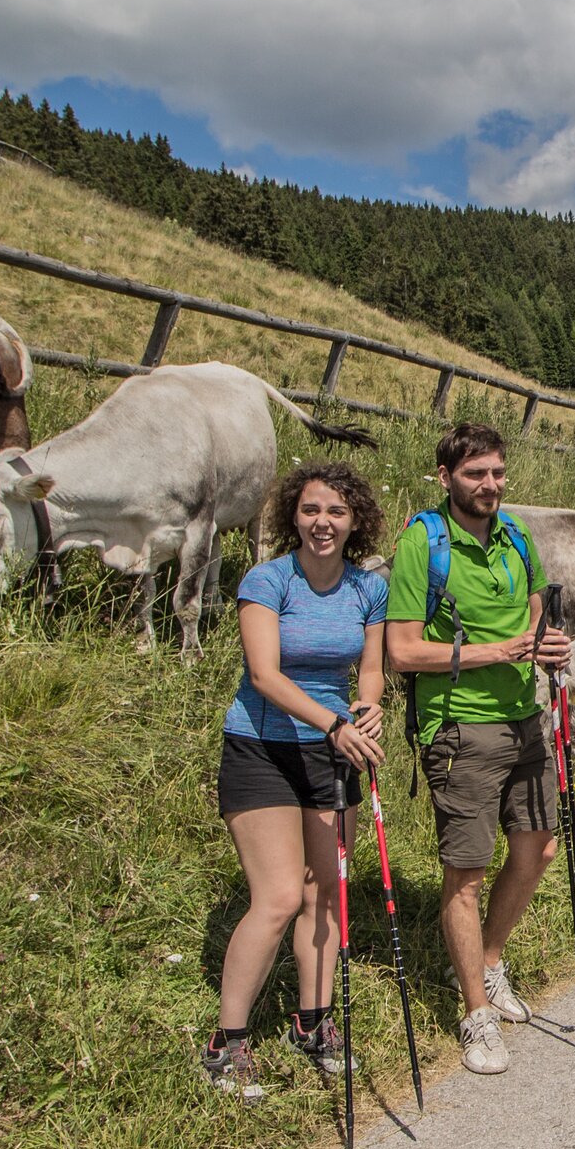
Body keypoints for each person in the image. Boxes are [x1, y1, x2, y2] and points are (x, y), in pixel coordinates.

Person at [385, 422, 571, 1075]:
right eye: (474, 474)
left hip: (525, 718)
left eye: (496, 472)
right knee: (465, 873)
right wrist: (498, 651)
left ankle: (489, 962)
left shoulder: (515, 533)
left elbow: (537, 608)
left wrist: (545, 642)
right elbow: (402, 650)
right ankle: (475, 1015)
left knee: (539, 848)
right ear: (446, 478)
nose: (489, 485)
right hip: (460, 726)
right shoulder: (423, 542)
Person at [205, 461, 387, 1099]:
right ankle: (226, 1043)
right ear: (294, 516)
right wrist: (334, 723)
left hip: (333, 751)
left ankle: (313, 1023)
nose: (322, 522)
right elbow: (264, 675)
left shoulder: (368, 588)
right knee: (280, 896)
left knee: (327, 893)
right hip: (262, 748)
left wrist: (367, 708)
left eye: (336, 511)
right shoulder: (268, 580)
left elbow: (371, 668)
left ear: (355, 520)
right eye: (311, 510)